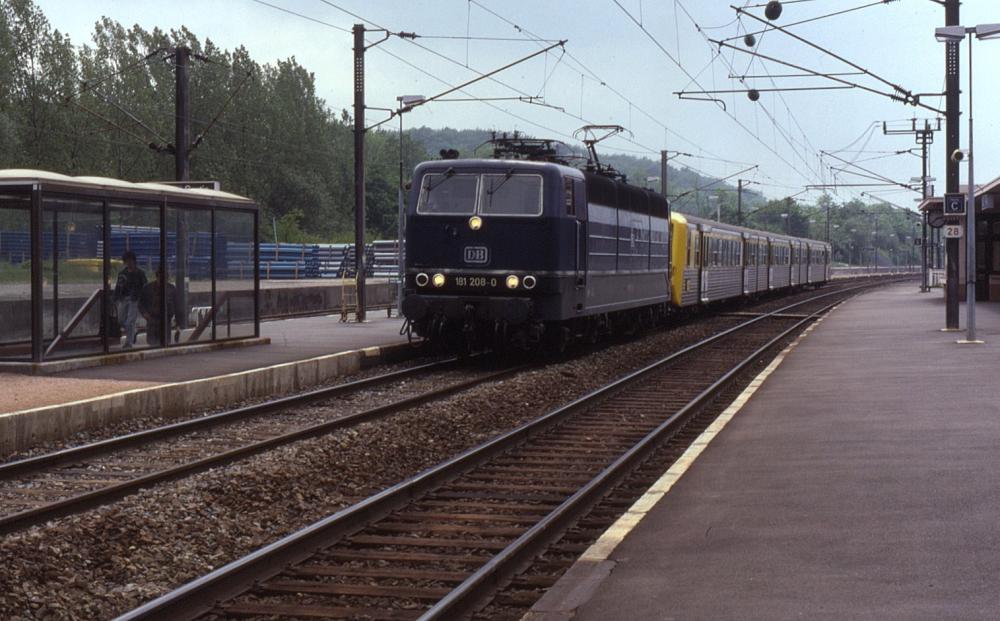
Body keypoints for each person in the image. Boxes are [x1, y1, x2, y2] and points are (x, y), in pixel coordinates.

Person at [114, 250, 146, 349]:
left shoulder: (140, 273)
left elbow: (145, 286)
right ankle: (134, 331)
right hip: (123, 299)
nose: (129, 263)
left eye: (130, 261)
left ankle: (129, 342)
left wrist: (142, 298)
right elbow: (118, 286)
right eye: (127, 261)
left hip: (135, 299)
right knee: (120, 320)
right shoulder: (122, 273)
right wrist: (115, 297)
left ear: (134, 261)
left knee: (130, 321)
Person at [139, 265, 177, 347]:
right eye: (161, 278)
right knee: (152, 343)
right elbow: (141, 303)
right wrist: (145, 313)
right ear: (157, 277)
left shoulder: (171, 289)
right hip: (152, 319)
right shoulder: (147, 288)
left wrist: (176, 319)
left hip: (166, 320)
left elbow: (176, 304)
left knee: (166, 343)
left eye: (165, 279)